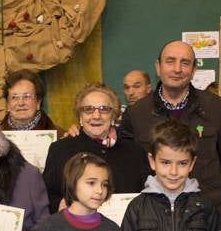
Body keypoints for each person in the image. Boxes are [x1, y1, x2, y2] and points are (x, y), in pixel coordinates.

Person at [119, 41, 221, 220]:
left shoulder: (217, 108)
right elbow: (129, 165)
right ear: (158, 67)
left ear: (193, 70)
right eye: (170, 61)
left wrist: (208, 187)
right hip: (154, 215)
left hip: (206, 214)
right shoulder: (136, 114)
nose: (177, 69)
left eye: (185, 63)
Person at [42, 82, 148, 213]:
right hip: (76, 229)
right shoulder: (60, 150)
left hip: (126, 230)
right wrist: (59, 204)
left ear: (113, 115)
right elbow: (47, 194)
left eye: (104, 109)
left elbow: (147, 196)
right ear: (80, 116)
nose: (96, 116)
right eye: (88, 109)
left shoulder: (135, 152)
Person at [0, 69, 63, 135]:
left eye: (27, 96)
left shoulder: (60, 136)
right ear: (8, 104)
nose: (21, 103)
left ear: (38, 102)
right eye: (14, 97)